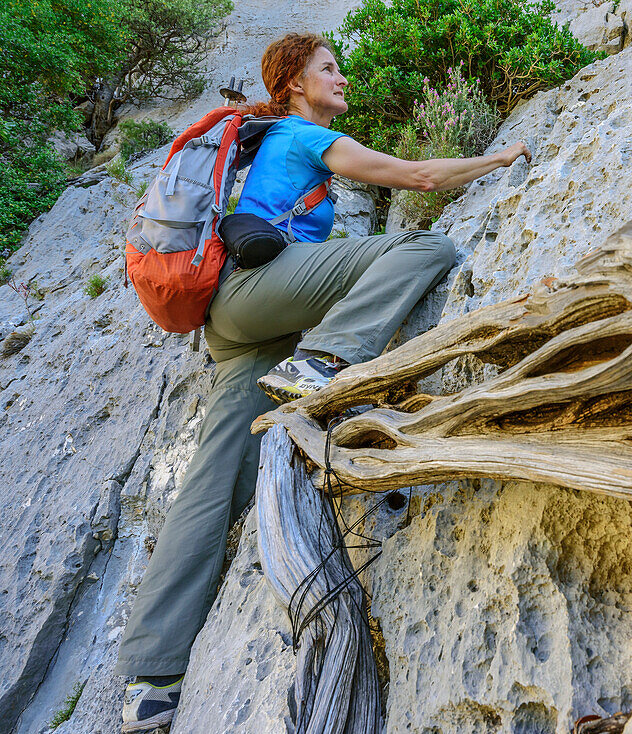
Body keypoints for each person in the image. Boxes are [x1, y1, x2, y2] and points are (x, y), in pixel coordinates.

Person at [115, 32, 530, 733]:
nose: (342, 79)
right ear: (296, 85)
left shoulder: (265, 148)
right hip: (256, 298)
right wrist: (502, 155)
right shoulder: (301, 136)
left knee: (212, 485)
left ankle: (149, 679)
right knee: (424, 242)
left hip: (239, 327)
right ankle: (324, 360)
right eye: (328, 70)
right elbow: (418, 179)